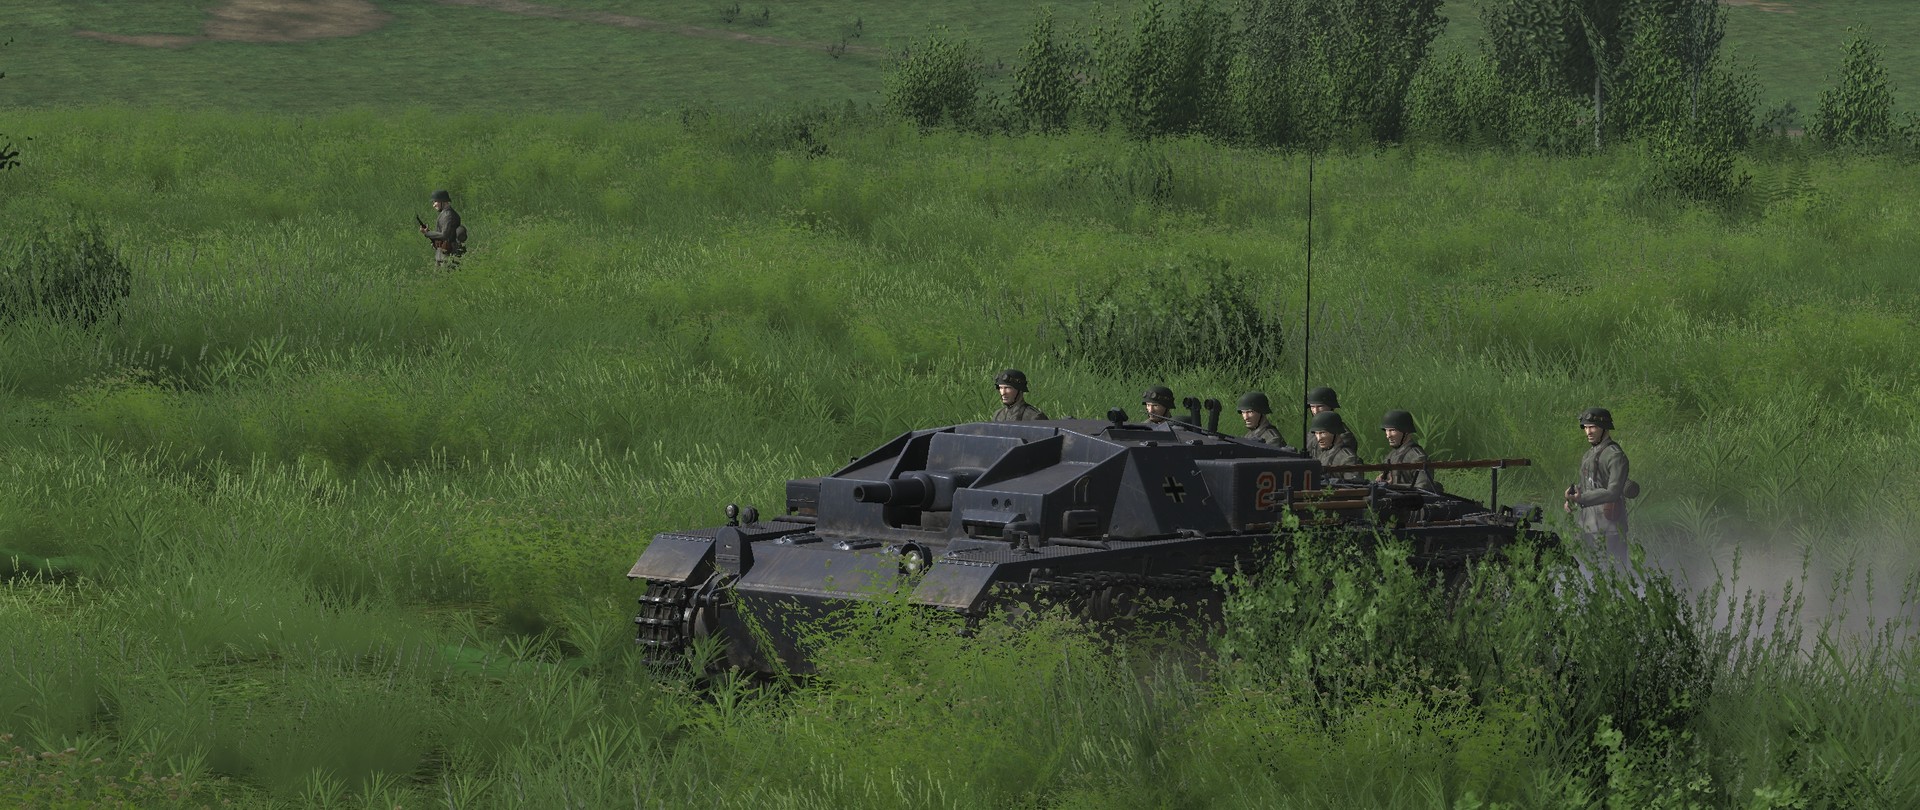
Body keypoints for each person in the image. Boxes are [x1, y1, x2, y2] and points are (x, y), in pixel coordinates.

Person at [1565, 407, 1631, 568]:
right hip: (1586, 526)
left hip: (1610, 529)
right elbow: (1588, 484)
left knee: (1615, 574)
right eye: (1586, 427)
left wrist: (1582, 498)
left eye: (1593, 427)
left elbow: (1613, 491)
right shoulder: (1589, 454)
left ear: (1604, 427)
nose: (1588, 432)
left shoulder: (1615, 455)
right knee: (1586, 572)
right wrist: (1572, 498)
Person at [1377, 410, 1439, 491]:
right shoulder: (1392, 455)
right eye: (1386, 430)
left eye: (1392, 430)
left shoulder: (1418, 457)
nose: (1388, 435)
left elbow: (1423, 487)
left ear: (1406, 432)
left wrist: (1392, 486)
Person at [1309, 411, 1363, 482]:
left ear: (1335, 432)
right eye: (1316, 433)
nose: (1319, 438)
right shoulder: (1322, 454)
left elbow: (1354, 486)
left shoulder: (1349, 459)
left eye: (1323, 433)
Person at [1306, 386, 1359, 454]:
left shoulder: (1343, 436)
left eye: (1320, 406)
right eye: (1312, 407)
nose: (1315, 411)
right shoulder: (1312, 433)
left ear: (1331, 407)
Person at [420, 189, 466, 266]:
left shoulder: (448, 215)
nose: (434, 205)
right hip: (443, 255)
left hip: (448, 256)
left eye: (435, 201)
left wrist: (427, 233)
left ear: (443, 201)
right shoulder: (445, 214)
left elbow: (444, 235)